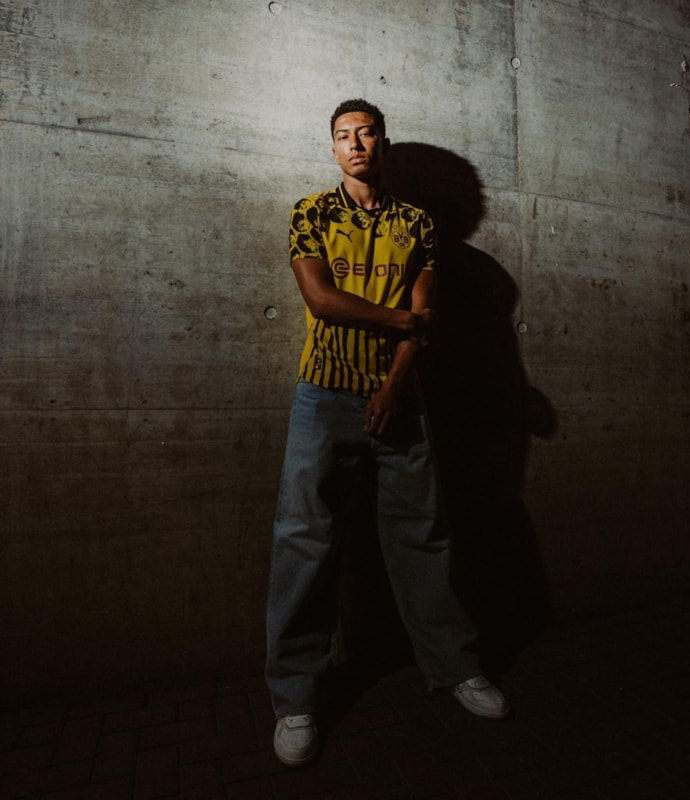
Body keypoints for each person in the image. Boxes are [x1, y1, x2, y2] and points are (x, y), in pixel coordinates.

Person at [265, 98, 510, 768]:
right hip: (323, 395)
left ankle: (455, 667)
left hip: (398, 396)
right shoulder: (310, 213)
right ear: (332, 148)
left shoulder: (417, 224)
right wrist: (401, 322)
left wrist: (395, 383)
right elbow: (321, 299)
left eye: (366, 133)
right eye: (343, 136)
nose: (355, 144)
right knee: (304, 539)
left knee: (422, 534)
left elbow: (423, 313)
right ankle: (295, 698)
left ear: (383, 144)